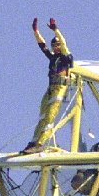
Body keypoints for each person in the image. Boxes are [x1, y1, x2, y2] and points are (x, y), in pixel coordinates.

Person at [22, 17, 73, 154]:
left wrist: (56, 30)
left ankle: (40, 143)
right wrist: (36, 31)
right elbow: (42, 46)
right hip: (51, 88)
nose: (56, 48)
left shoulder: (66, 57)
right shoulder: (53, 57)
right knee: (43, 116)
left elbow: (64, 43)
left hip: (60, 88)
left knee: (50, 117)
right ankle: (34, 142)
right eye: (54, 46)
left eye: (57, 46)